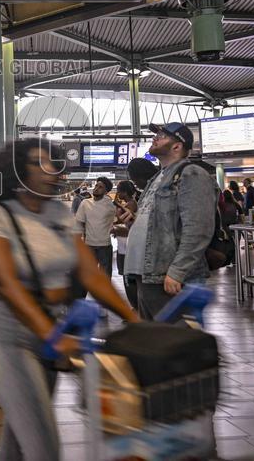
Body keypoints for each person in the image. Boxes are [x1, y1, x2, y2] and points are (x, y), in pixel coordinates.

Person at [0, 139, 138, 459]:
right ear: (18, 172)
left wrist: (133, 319)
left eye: (52, 163)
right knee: (43, 443)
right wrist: (51, 335)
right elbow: (7, 284)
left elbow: (89, 273)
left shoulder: (59, 213)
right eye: (40, 164)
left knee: (20, 437)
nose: (51, 170)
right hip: (9, 337)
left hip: (51, 328)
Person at [125, 123, 217, 320]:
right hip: (148, 275)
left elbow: (198, 229)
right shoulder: (157, 177)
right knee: (156, 336)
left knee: (178, 336)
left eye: (162, 136)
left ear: (177, 146)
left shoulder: (191, 174)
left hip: (170, 277)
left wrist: (178, 271)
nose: (155, 138)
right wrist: (133, 222)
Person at [74, 176, 116, 279]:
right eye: (96, 185)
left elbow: (118, 219)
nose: (96, 188)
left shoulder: (111, 206)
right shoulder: (85, 203)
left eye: (100, 187)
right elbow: (80, 223)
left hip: (105, 246)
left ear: (106, 191)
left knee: (105, 278)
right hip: (89, 245)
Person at [112, 180, 139, 309]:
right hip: (123, 246)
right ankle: (135, 307)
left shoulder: (131, 204)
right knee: (126, 277)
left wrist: (115, 228)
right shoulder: (128, 204)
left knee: (128, 278)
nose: (118, 193)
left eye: (119, 191)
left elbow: (126, 223)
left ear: (124, 192)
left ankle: (136, 307)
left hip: (128, 247)